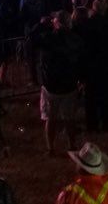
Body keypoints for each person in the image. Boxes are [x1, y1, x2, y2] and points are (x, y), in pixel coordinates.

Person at [34, 11, 84, 155]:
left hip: (51, 85)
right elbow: (81, 60)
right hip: (69, 84)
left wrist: (41, 25)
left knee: (50, 118)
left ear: (56, 22)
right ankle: (72, 145)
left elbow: (31, 39)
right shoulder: (75, 39)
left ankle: (51, 148)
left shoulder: (48, 38)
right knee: (69, 118)